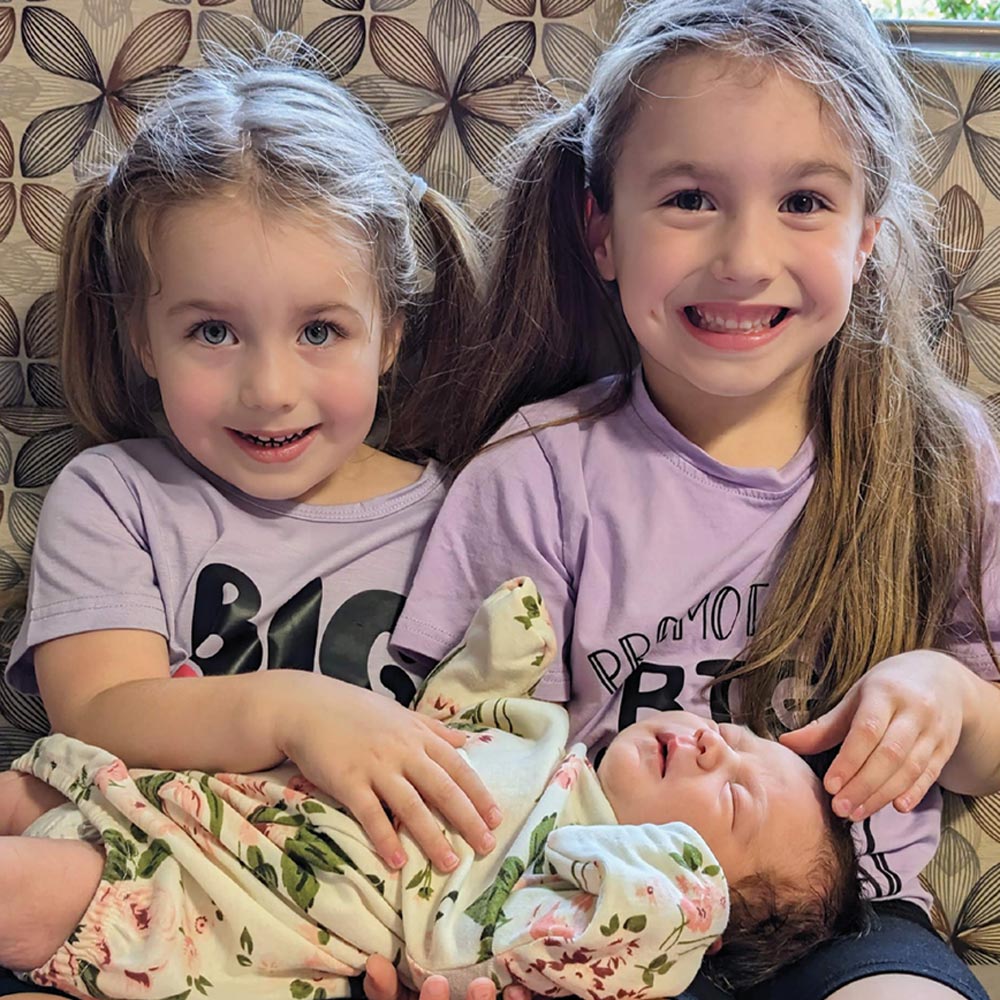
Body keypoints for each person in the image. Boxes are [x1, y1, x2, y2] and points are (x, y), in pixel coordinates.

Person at [382, 1, 1000, 998]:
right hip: (576, 906)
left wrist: (945, 694)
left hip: (849, 924)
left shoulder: (936, 458)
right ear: (601, 231)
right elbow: (473, 752)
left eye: (803, 201)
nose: (744, 258)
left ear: (867, 237)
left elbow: (985, 752)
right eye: (687, 199)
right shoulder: (537, 470)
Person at [0, 45, 503, 999]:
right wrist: (293, 707)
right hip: (139, 891)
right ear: (141, 336)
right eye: (212, 332)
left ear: (390, 333)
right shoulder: (115, 495)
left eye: (321, 331)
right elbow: (100, 712)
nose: (270, 390)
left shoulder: (469, 514)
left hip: (362, 920)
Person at [0, 579, 863, 999]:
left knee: (33, 888)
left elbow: (568, 949)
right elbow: (444, 719)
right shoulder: (555, 747)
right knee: (21, 795)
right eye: (741, 736)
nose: (717, 743)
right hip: (200, 800)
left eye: (738, 794)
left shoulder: (591, 902)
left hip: (223, 908)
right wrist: (503, 654)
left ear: (695, 885)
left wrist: (672, 906)